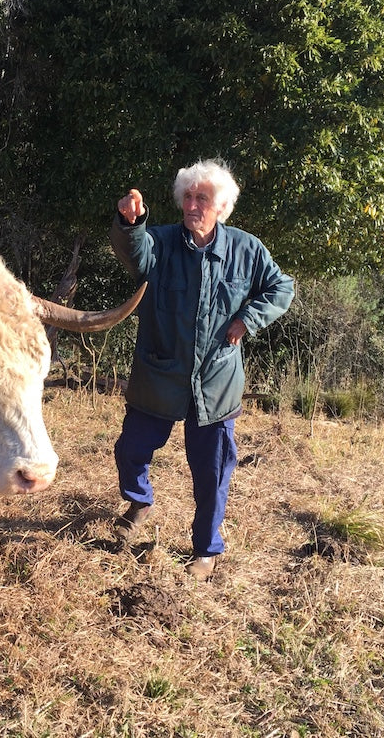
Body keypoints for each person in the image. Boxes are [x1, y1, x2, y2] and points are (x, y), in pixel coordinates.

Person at [110, 158, 294, 580]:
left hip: (217, 381)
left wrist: (249, 318)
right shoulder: (161, 243)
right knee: (130, 450)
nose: (192, 205)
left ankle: (206, 551)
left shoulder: (247, 249)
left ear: (222, 207)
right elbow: (136, 256)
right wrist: (129, 222)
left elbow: (281, 287)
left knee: (212, 472)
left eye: (202, 198)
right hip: (160, 372)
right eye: (188, 197)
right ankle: (139, 501)